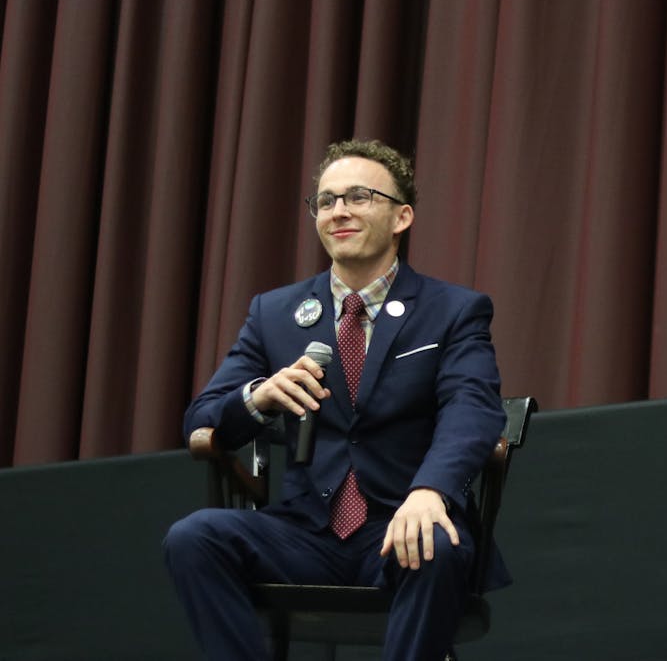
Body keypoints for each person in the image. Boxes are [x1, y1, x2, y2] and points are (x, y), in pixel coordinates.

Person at [163, 139, 509, 661]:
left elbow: (472, 408)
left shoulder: (453, 310)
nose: (338, 211)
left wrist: (431, 491)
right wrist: (258, 398)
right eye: (325, 201)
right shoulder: (274, 312)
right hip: (306, 532)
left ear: (402, 217)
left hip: (399, 523)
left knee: (433, 541)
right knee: (195, 536)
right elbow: (202, 419)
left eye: (359, 196)